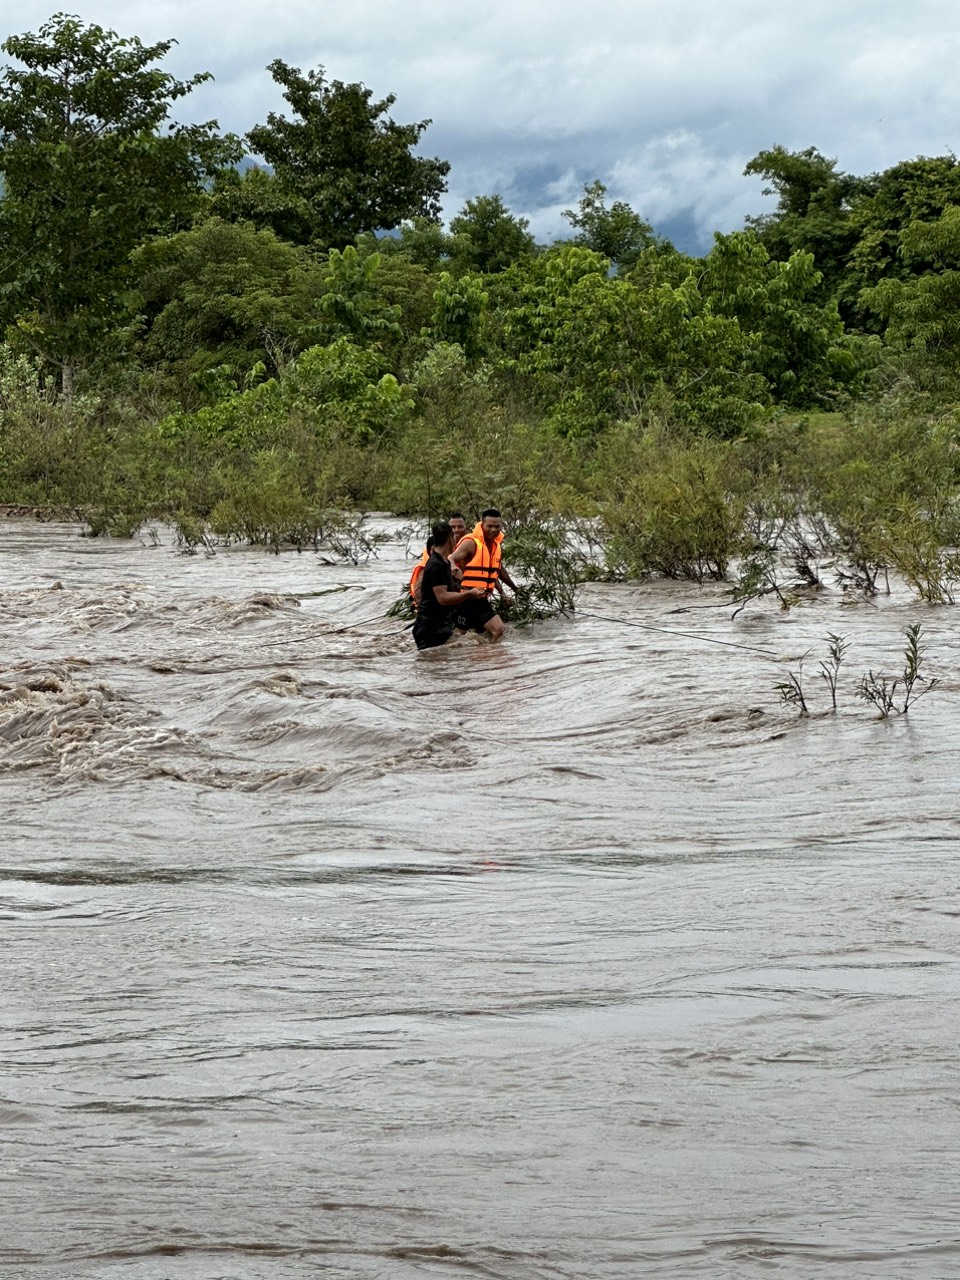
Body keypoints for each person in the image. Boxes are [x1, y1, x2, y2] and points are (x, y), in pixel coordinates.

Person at [413, 522, 487, 650]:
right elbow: (443, 597)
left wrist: (457, 582)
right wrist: (470, 593)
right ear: (450, 540)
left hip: (442, 626)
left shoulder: (444, 562)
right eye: (453, 538)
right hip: (430, 628)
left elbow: (445, 590)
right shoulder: (436, 565)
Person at [449, 508, 519, 642]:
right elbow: (451, 558)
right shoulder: (471, 542)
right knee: (457, 637)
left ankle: (487, 658)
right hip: (466, 599)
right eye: (489, 526)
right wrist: (453, 568)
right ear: (482, 525)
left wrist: (512, 590)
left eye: (497, 526)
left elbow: (497, 571)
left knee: (498, 630)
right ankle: (453, 660)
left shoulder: (496, 546)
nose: (493, 530)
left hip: (482, 600)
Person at [408, 512, 468, 609]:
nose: (456, 531)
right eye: (452, 527)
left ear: (466, 528)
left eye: (460, 527)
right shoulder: (435, 559)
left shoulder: (468, 547)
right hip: (432, 610)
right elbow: (439, 595)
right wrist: (470, 594)